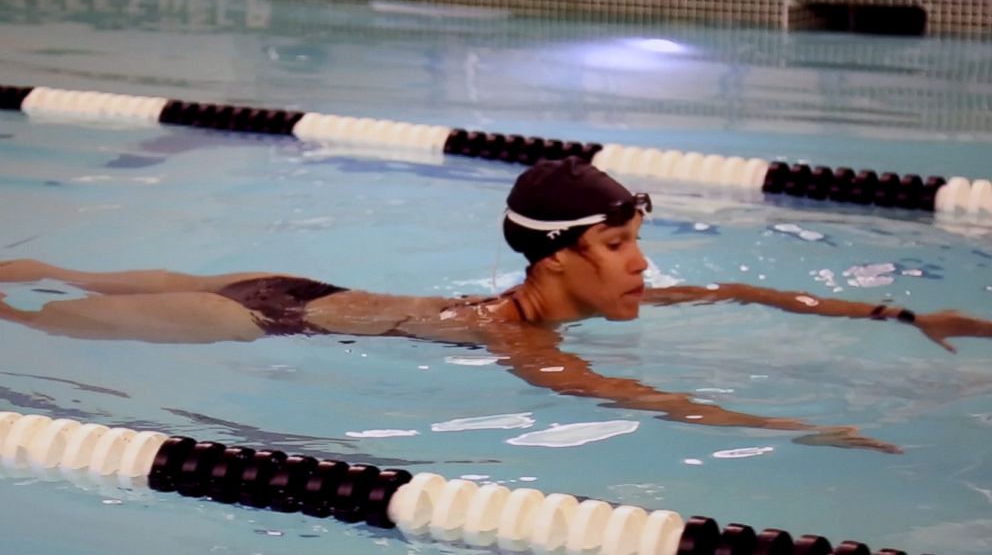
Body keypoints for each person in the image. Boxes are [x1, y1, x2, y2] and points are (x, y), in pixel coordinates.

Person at [2, 158, 991, 454]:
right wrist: (806, 431)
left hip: (307, 286)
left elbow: (738, 288)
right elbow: (642, 404)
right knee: (36, 324)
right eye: (618, 246)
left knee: (60, 278)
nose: (643, 267)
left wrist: (902, 319)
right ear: (555, 261)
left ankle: (27, 261)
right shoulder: (523, 344)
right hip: (270, 313)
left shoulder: (551, 309)